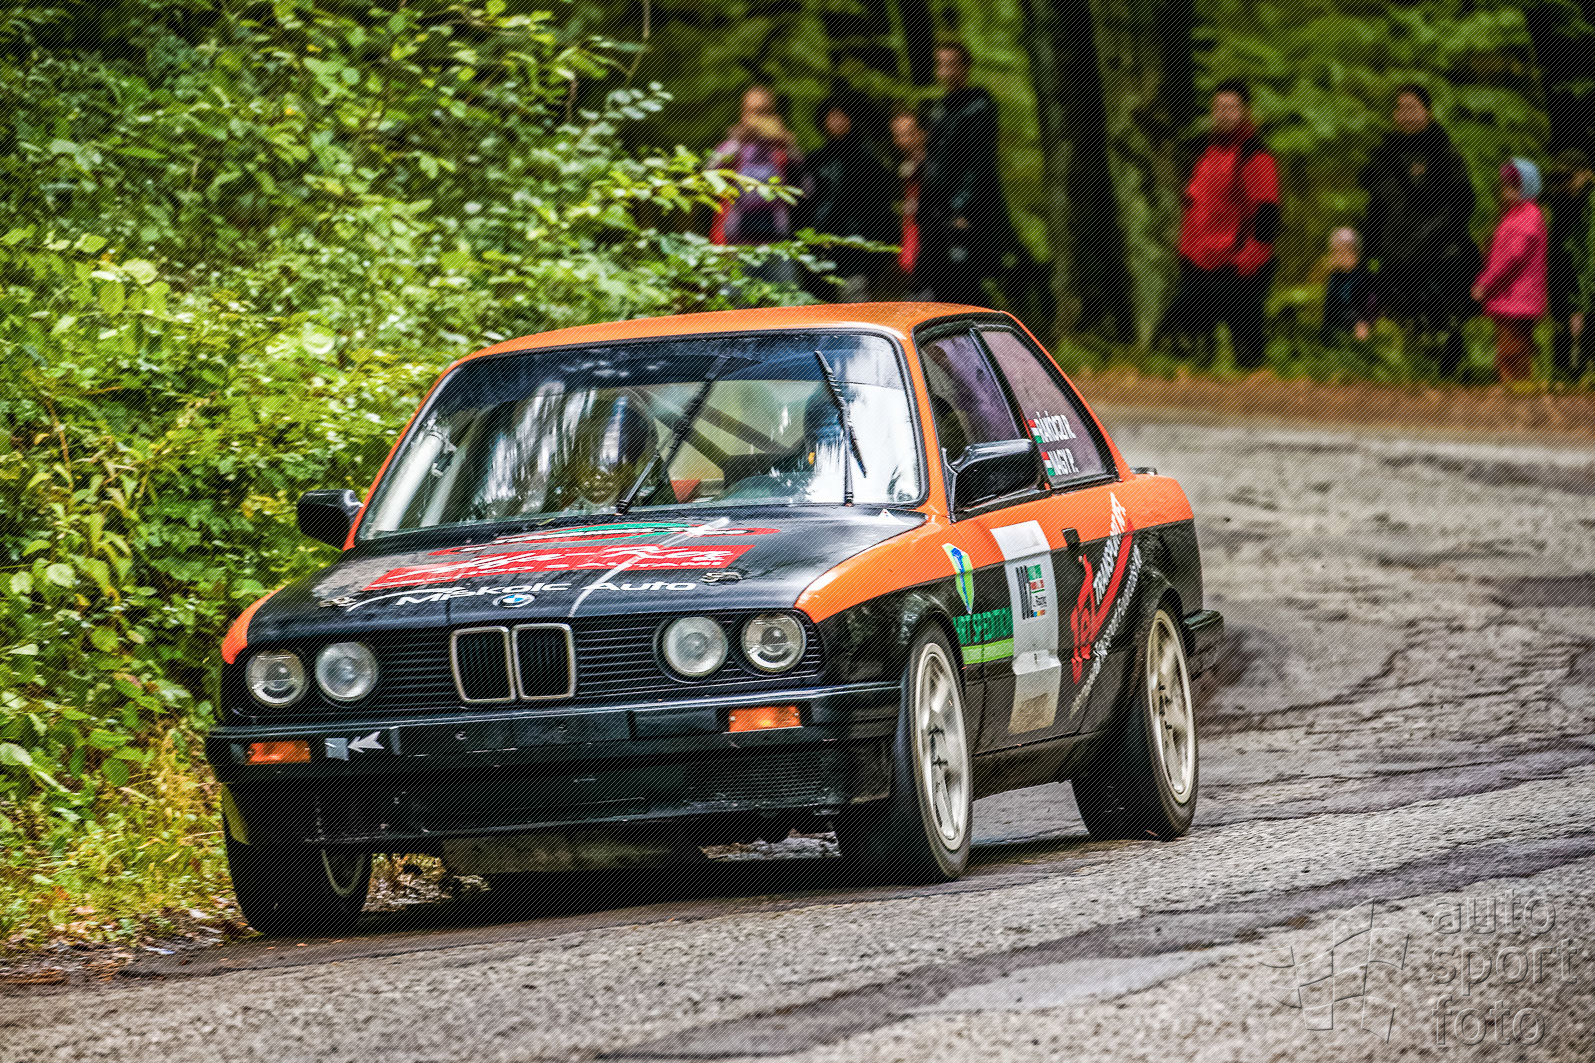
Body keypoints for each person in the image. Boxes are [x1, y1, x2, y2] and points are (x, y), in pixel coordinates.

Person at [1357, 84, 1480, 378]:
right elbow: (1376, 207)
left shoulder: (1445, 154)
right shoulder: (1384, 156)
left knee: (1441, 319)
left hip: (1436, 257)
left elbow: (1462, 203)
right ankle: (1408, 374)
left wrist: (1434, 240)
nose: (1407, 115)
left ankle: (1448, 372)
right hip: (1395, 256)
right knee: (1401, 319)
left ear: (1428, 111)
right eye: (1401, 108)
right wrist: (1368, 251)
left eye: (1413, 108)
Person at [1159, 79, 1281, 370]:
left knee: (1247, 351)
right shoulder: (1205, 154)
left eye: (1231, 107)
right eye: (1219, 107)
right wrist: (1186, 253)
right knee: (1181, 338)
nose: (1224, 114)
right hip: (1199, 263)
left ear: (1245, 111)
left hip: (1237, 265)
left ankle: (1253, 389)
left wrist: (1251, 259)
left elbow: (1267, 211)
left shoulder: (1255, 156)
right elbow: (1195, 207)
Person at [914, 41, 1020, 305]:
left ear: (965, 67)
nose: (946, 72)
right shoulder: (939, 109)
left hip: (964, 215)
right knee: (938, 284)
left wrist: (962, 208)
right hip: (936, 213)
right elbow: (933, 162)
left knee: (966, 285)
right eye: (941, 65)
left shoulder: (978, 107)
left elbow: (978, 163)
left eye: (952, 65)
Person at [798, 92, 898, 302]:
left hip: (856, 255)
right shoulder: (815, 160)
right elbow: (802, 205)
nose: (837, 122)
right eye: (832, 116)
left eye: (842, 116)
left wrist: (873, 255)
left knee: (854, 310)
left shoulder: (868, 161)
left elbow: (881, 210)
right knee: (819, 313)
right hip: (818, 252)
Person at [706, 85, 808, 285]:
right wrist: (736, 141)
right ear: (743, 113)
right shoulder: (732, 147)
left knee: (786, 301)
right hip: (735, 243)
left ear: (773, 114)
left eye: (764, 112)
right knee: (734, 303)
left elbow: (806, 189)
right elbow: (707, 180)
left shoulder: (782, 149)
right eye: (753, 111)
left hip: (777, 243)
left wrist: (790, 147)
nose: (757, 117)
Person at [1472, 159, 1549, 385]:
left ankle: (1515, 393)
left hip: (1516, 298)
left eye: (1515, 185)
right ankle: (1516, 391)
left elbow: (1512, 258)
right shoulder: (1516, 214)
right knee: (1512, 351)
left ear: (1528, 186)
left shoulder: (1528, 215)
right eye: (1506, 184)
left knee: (1511, 352)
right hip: (1510, 297)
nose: (1507, 190)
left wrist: (1486, 282)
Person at [1546, 149, 1593, 383]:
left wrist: (1584, 305)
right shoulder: (1563, 204)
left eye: (1568, 177)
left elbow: (1589, 259)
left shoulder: (1589, 204)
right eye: (1558, 178)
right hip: (1567, 296)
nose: (1563, 184)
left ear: (1587, 174)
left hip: (1585, 297)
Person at [890, 108, 928, 288]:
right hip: (911, 240)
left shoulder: (934, 166)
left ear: (922, 133)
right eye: (898, 135)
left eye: (908, 134)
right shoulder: (906, 166)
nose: (902, 141)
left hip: (931, 244)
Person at [1321, 227, 1372, 344]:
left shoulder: (1359, 278)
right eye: (1334, 252)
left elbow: (1366, 303)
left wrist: (1362, 322)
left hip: (1352, 326)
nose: (1336, 256)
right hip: (1335, 328)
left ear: (1355, 256)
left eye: (1341, 253)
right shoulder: (1334, 277)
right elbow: (1331, 307)